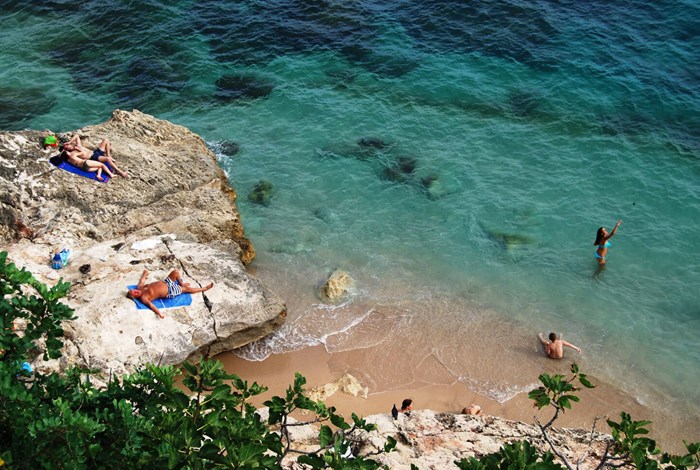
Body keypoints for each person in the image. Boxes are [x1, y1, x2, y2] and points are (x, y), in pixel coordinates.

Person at [127, 269, 214, 319]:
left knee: (176, 272)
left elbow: (142, 280)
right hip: (170, 290)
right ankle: (204, 288)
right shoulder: (144, 297)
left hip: (166, 282)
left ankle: (181, 283)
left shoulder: (139, 288)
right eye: (134, 293)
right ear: (135, 297)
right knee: (187, 289)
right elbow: (152, 306)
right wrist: (159, 313)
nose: (135, 291)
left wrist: (144, 273)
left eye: (133, 290)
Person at [62, 134, 128, 178]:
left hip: (95, 152)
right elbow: (75, 159)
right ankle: (119, 171)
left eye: (67, 146)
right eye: (66, 149)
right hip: (93, 157)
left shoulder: (78, 145)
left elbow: (76, 135)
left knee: (106, 140)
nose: (68, 148)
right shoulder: (74, 152)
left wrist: (70, 141)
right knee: (107, 159)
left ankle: (109, 155)